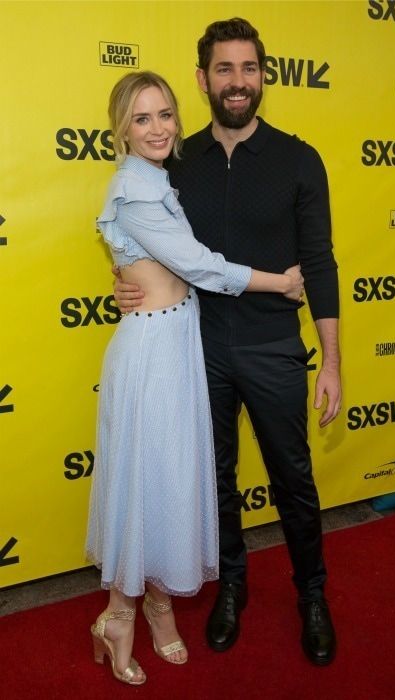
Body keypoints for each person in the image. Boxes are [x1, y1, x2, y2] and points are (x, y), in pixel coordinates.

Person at [113, 18, 341, 667]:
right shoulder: (173, 162)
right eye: (224, 69)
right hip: (195, 349)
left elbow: (319, 263)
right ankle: (231, 587)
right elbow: (148, 243)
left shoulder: (300, 159)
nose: (237, 82)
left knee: (292, 479)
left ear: (263, 75)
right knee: (213, 480)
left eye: (248, 68)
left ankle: (313, 596)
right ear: (203, 78)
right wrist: (126, 282)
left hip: (273, 348)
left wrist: (331, 361)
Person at [85, 70, 304, 686]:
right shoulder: (133, 187)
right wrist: (280, 281)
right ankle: (120, 614)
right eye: (142, 118)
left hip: (179, 342)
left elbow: (158, 263)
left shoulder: (157, 180)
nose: (157, 128)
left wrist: (128, 274)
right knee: (148, 485)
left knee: (166, 483)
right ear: (121, 129)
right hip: (154, 352)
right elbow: (197, 264)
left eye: (165, 115)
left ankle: (157, 604)